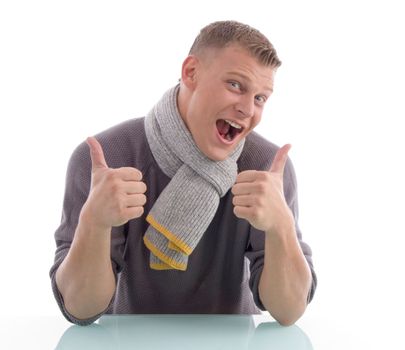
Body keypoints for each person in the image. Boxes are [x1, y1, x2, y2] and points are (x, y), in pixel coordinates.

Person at [50, 20, 317, 327]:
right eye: (235, 85)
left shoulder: (267, 169)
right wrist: (93, 223)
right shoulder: (105, 159)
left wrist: (280, 225)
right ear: (191, 73)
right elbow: (80, 308)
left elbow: (289, 310)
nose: (247, 109)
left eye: (260, 98)